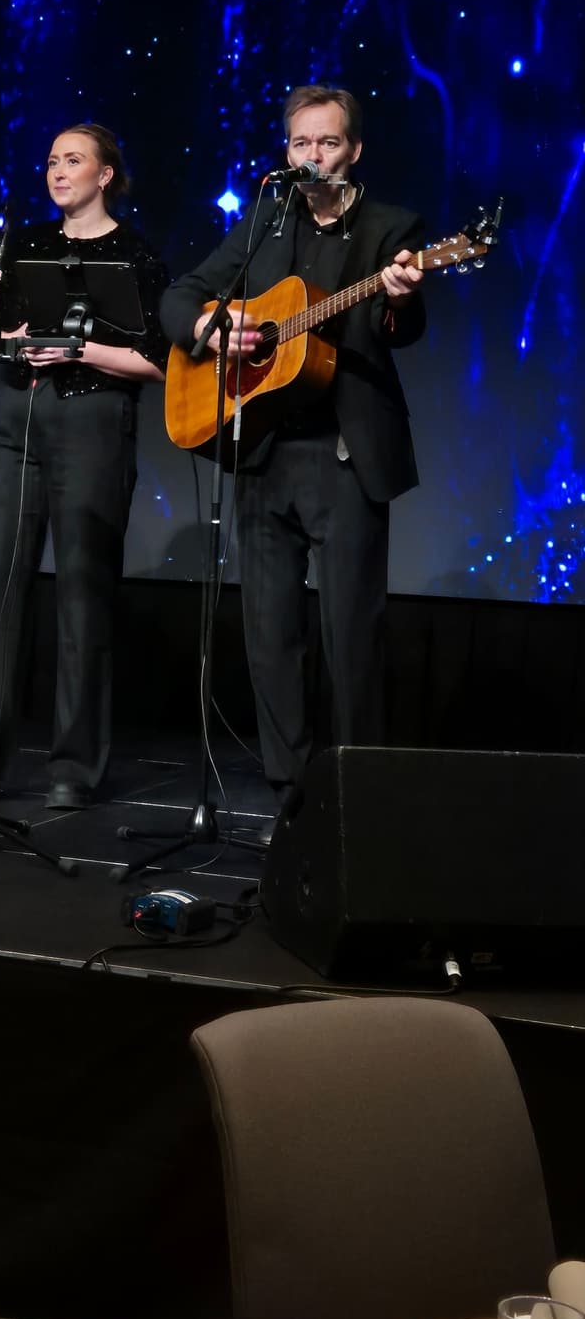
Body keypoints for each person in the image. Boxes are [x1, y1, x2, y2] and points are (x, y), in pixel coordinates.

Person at [160, 84, 425, 813]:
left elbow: (406, 327)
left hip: (345, 456)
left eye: (329, 143)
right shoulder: (267, 219)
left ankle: (359, 796)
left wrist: (399, 298)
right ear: (287, 154)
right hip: (265, 451)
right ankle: (290, 796)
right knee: (271, 635)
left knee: (351, 639)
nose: (315, 156)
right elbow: (182, 295)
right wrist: (212, 331)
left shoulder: (390, 228)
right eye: (302, 144)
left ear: (355, 149)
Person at [0, 122, 169, 811]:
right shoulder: (21, 244)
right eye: (52, 161)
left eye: (74, 160)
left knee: (82, 599)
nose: (58, 171)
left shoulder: (135, 255)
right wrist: (12, 338)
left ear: (106, 175)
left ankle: (75, 766)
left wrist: (78, 351)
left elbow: (157, 360)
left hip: (93, 422)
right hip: (16, 418)